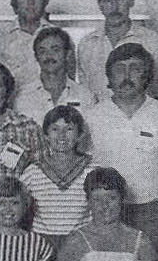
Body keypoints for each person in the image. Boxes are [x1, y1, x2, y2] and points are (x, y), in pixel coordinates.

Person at [83, 43, 158, 257]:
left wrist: (152, 194)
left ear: (147, 75)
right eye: (119, 69)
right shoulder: (93, 116)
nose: (126, 76)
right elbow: (85, 166)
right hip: (105, 209)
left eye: (135, 68)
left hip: (151, 210)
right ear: (109, 78)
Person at [77, 0, 158, 101]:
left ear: (131, 1)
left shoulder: (152, 41)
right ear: (99, 5)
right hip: (98, 118)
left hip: (142, 118)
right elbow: (85, 96)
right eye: (107, 0)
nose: (114, 7)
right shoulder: (87, 44)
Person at [19, 105, 99, 250]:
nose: (61, 135)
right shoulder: (33, 171)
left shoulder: (92, 170)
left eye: (69, 129)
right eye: (55, 129)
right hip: (40, 244)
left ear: (80, 134)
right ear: (45, 135)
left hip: (80, 243)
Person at [14, 27, 96, 127]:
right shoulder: (23, 97)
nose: (49, 56)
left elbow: (88, 138)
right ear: (36, 56)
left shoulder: (86, 97)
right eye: (42, 51)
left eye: (55, 50)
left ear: (67, 54)